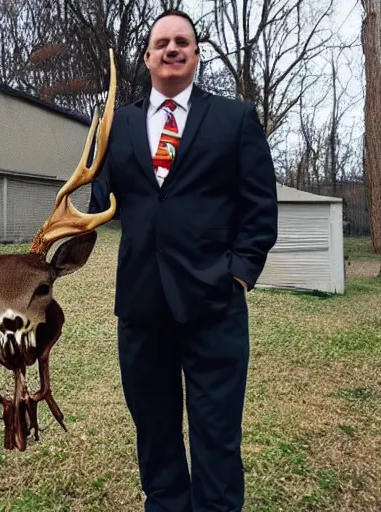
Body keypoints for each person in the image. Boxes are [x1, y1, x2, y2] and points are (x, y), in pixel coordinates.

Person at [89, 9, 278, 512]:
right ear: (148, 57)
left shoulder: (235, 119)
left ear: (195, 56)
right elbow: (94, 206)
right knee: (156, 439)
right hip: (141, 310)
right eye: (162, 43)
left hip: (214, 308)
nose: (172, 49)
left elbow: (259, 208)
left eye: (183, 42)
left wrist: (239, 275)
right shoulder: (118, 124)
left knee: (217, 440)